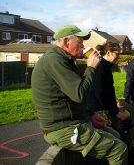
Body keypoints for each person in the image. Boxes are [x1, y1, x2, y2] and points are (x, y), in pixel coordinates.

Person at [31, 25, 128, 165]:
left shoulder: (64, 59)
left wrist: (90, 115)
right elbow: (80, 94)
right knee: (119, 150)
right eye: (80, 41)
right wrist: (91, 68)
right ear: (66, 42)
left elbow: (72, 95)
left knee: (116, 135)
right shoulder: (54, 60)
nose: (83, 45)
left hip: (73, 122)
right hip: (62, 128)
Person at [87, 42, 134, 165]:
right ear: (108, 53)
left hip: (105, 108)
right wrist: (115, 113)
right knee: (122, 129)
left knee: (125, 127)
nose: (119, 56)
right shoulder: (101, 68)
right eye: (117, 53)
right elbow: (100, 94)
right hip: (99, 110)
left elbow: (107, 93)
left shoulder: (106, 67)